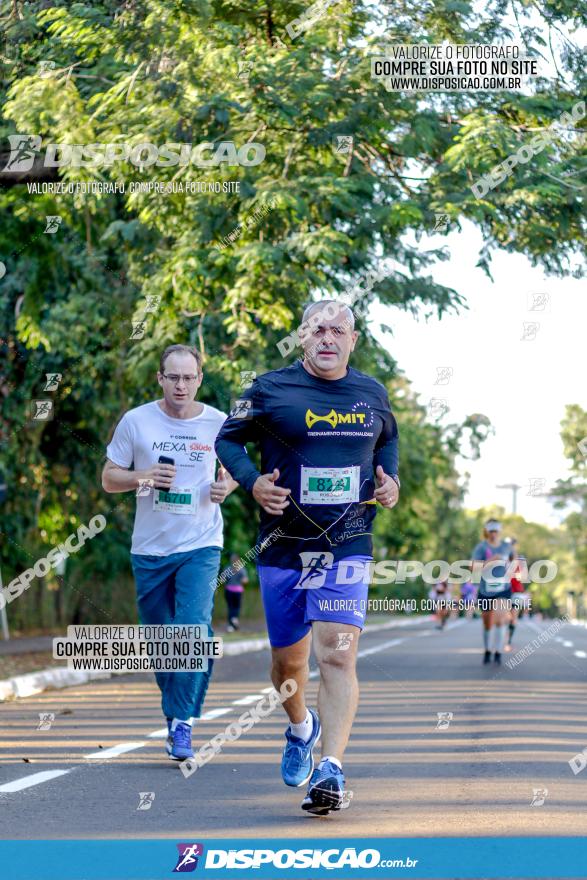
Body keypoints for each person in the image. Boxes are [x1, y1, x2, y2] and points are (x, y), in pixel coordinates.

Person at [215, 300, 399, 814]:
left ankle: (332, 769)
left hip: (347, 542)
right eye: (317, 328)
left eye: (338, 330)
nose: (327, 337)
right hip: (284, 545)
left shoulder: (371, 393)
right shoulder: (269, 389)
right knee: (288, 665)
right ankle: (300, 726)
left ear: (353, 340)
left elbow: (389, 443)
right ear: (301, 335)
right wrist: (252, 484)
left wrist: (392, 481)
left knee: (336, 655)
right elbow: (226, 440)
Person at [101, 344, 237, 760]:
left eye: (189, 377)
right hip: (150, 548)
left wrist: (226, 486)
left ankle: (182, 724)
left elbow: (236, 470)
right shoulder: (136, 421)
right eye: (173, 377)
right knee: (161, 640)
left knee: (192, 630)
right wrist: (142, 476)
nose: (181, 385)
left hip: (200, 543)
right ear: (160, 378)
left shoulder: (218, 423)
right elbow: (108, 479)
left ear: (200, 379)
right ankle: (177, 711)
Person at [472, 519, 513, 665]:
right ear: (487, 531)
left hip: (503, 588)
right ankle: (488, 650)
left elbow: (515, 561)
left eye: (496, 531)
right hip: (485, 589)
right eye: (491, 531)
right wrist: (492, 559)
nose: (494, 534)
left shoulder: (507, 547)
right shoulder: (481, 548)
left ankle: (498, 651)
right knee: (487, 622)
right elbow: (473, 568)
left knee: (500, 619)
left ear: (499, 531)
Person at [221, 553, 249, 631]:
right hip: (238, 591)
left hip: (229, 590)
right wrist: (242, 581)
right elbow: (245, 580)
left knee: (230, 607)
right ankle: (234, 619)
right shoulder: (242, 569)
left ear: (231, 560)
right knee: (237, 607)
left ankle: (231, 626)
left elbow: (222, 579)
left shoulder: (227, 568)